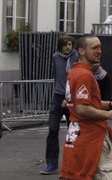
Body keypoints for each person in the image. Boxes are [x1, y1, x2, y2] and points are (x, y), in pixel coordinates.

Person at [61, 36, 112, 180]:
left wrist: (110, 104)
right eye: (94, 48)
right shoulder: (85, 75)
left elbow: (83, 102)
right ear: (81, 51)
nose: (99, 51)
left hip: (78, 136)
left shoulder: (74, 72)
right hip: (92, 136)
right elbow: (82, 108)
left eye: (100, 47)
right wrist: (108, 114)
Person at [41, 35, 78, 175]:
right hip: (57, 97)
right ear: (60, 46)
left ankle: (74, 163)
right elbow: (57, 76)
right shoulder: (55, 57)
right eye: (65, 45)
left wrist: (69, 97)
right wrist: (59, 93)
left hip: (72, 97)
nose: (68, 47)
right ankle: (51, 163)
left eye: (70, 44)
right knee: (52, 129)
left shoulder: (76, 57)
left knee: (73, 132)